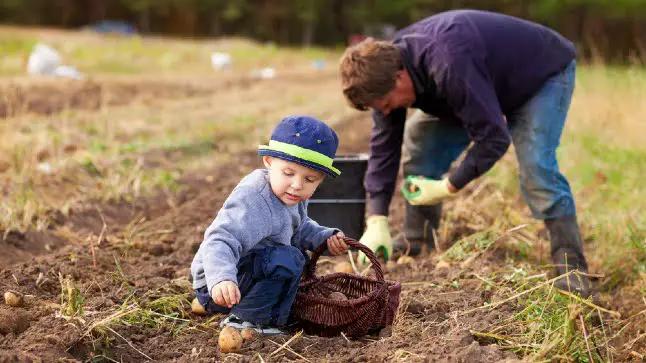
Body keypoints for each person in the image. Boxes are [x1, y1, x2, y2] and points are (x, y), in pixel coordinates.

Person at [339, 10, 591, 296]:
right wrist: (377, 219)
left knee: (537, 167)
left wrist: (449, 185)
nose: (385, 112)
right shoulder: (382, 72)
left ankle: (571, 265)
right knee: (420, 141)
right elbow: (384, 150)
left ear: (399, 77)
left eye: (385, 103)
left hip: (539, 78)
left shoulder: (448, 63)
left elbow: (494, 138)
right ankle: (417, 239)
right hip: (481, 85)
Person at [190, 115, 349, 334]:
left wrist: (325, 239)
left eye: (309, 180)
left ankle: (273, 319)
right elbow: (220, 240)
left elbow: (298, 227)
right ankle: (245, 320)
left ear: (319, 180)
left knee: (293, 258)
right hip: (219, 283)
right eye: (288, 173)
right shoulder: (253, 199)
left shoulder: (290, 196)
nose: (297, 185)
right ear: (269, 162)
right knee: (288, 259)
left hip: (247, 274)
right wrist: (221, 279)